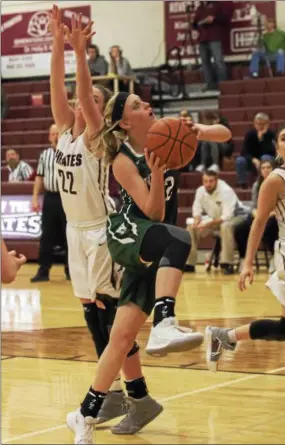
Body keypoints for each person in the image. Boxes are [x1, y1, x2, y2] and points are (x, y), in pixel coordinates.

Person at [65, 13, 232, 444]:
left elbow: (226, 131)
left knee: (120, 338)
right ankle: (164, 321)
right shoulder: (120, 154)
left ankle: (84, 415)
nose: (148, 107)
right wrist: (80, 53)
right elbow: (153, 211)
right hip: (128, 234)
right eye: (138, 106)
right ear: (123, 121)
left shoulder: (169, 138)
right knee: (179, 235)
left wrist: (198, 129)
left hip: (153, 247)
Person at [50, 6, 162, 435]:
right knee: (93, 317)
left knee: (110, 317)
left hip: (101, 233)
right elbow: (58, 88)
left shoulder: (99, 141)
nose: (84, 102)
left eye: (94, 99)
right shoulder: (63, 131)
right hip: (74, 234)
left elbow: (78, 91)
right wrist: (59, 44)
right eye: (86, 98)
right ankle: (128, 394)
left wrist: (81, 54)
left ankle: (131, 395)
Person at [205, 121, 285, 372]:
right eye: (284, 138)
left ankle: (224, 336)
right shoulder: (275, 180)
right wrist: (247, 263)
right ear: (278, 148)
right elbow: (258, 222)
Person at [185, 170, 249, 275]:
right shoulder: (200, 191)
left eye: (211, 181)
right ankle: (189, 264)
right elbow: (196, 210)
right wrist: (197, 221)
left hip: (237, 217)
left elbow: (226, 216)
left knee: (225, 226)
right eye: (205, 181)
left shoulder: (226, 191)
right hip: (215, 219)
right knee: (191, 228)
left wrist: (207, 224)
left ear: (216, 181)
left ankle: (227, 264)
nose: (208, 184)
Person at [30, 123, 70, 282]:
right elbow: (39, 177)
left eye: (57, 133)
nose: (55, 136)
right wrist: (34, 198)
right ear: (49, 136)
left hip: (67, 198)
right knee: (46, 236)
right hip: (50, 198)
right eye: (52, 134)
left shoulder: (69, 152)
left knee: (70, 236)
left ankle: (71, 271)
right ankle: (43, 271)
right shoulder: (44, 155)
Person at [234, 159, 278, 272]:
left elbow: (281, 206)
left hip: (275, 215)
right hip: (260, 214)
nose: (266, 170)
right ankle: (244, 258)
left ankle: (274, 257)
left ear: (273, 169)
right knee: (239, 228)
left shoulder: (279, 183)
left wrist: (268, 214)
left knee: (268, 227)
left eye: (268, 167)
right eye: (263, 168)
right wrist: (256, 213)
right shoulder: (256, 185)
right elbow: (254, 205)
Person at [193, 1, 233, 91]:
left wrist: (214, 18)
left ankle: (222, 84)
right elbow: (195, 23)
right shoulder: (200, 8)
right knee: (205, 63)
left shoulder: (218, 5)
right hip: (202, 38)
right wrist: (195, 26)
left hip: (214, 37)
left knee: (218, 61)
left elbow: (226, 18)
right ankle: (209, 84)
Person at [236, 113, 276, 188]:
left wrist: (261, 139)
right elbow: (244, 152)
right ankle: (243, 183)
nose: (260, 126)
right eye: (258, 124)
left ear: (267, 124)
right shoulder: (249, 134)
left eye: (263, 124)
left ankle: (266, 181)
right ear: (254, 124)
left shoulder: (270, 134)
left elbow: (271, 151)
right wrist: (253, 159)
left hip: (267, 159)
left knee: (265, 158)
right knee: (240, 160)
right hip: (252, 160)